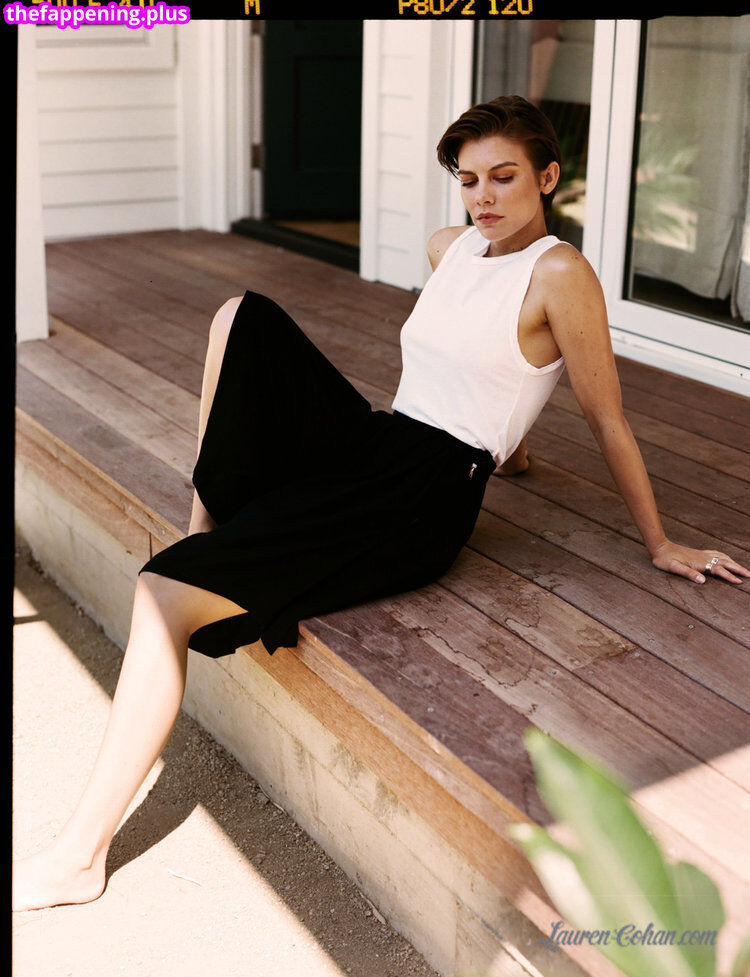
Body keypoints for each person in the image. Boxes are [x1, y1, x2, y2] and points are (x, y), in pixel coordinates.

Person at [13, 95, 748, 913]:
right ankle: (207, 533)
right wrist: (517, 444)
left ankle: (79, 858)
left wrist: (660, 542)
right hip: (380, 438)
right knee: (240, 316)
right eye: (468, 180)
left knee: (161, 593)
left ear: (548, 178)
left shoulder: (561, 273)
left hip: (421, 494)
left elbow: (605, 415)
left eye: (504, 177)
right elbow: (483, 356)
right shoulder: (450, 247)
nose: (483, 197)